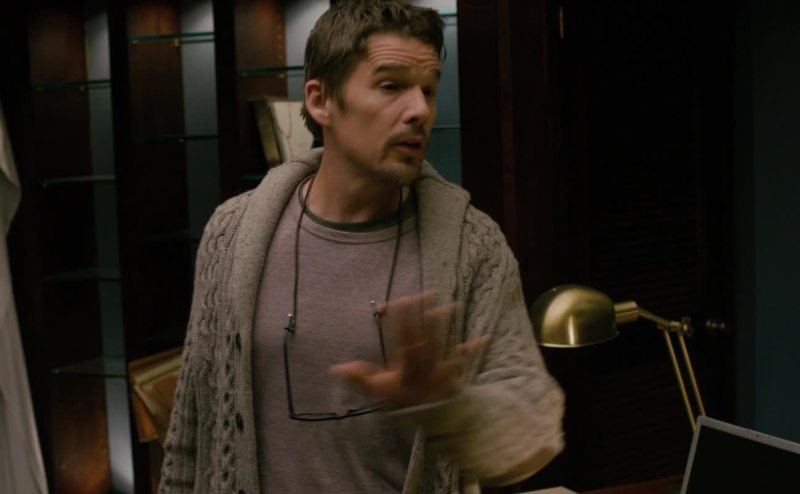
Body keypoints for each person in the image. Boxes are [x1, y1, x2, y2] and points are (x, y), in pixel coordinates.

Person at [159, 1, 564, 492]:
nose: (420, 111)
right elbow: (191, 431)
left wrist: (449, 409)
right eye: (391, 86)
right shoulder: (232, 232)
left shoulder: (473, 246)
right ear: (321, 101)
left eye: (428, 90)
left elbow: (534, 435)